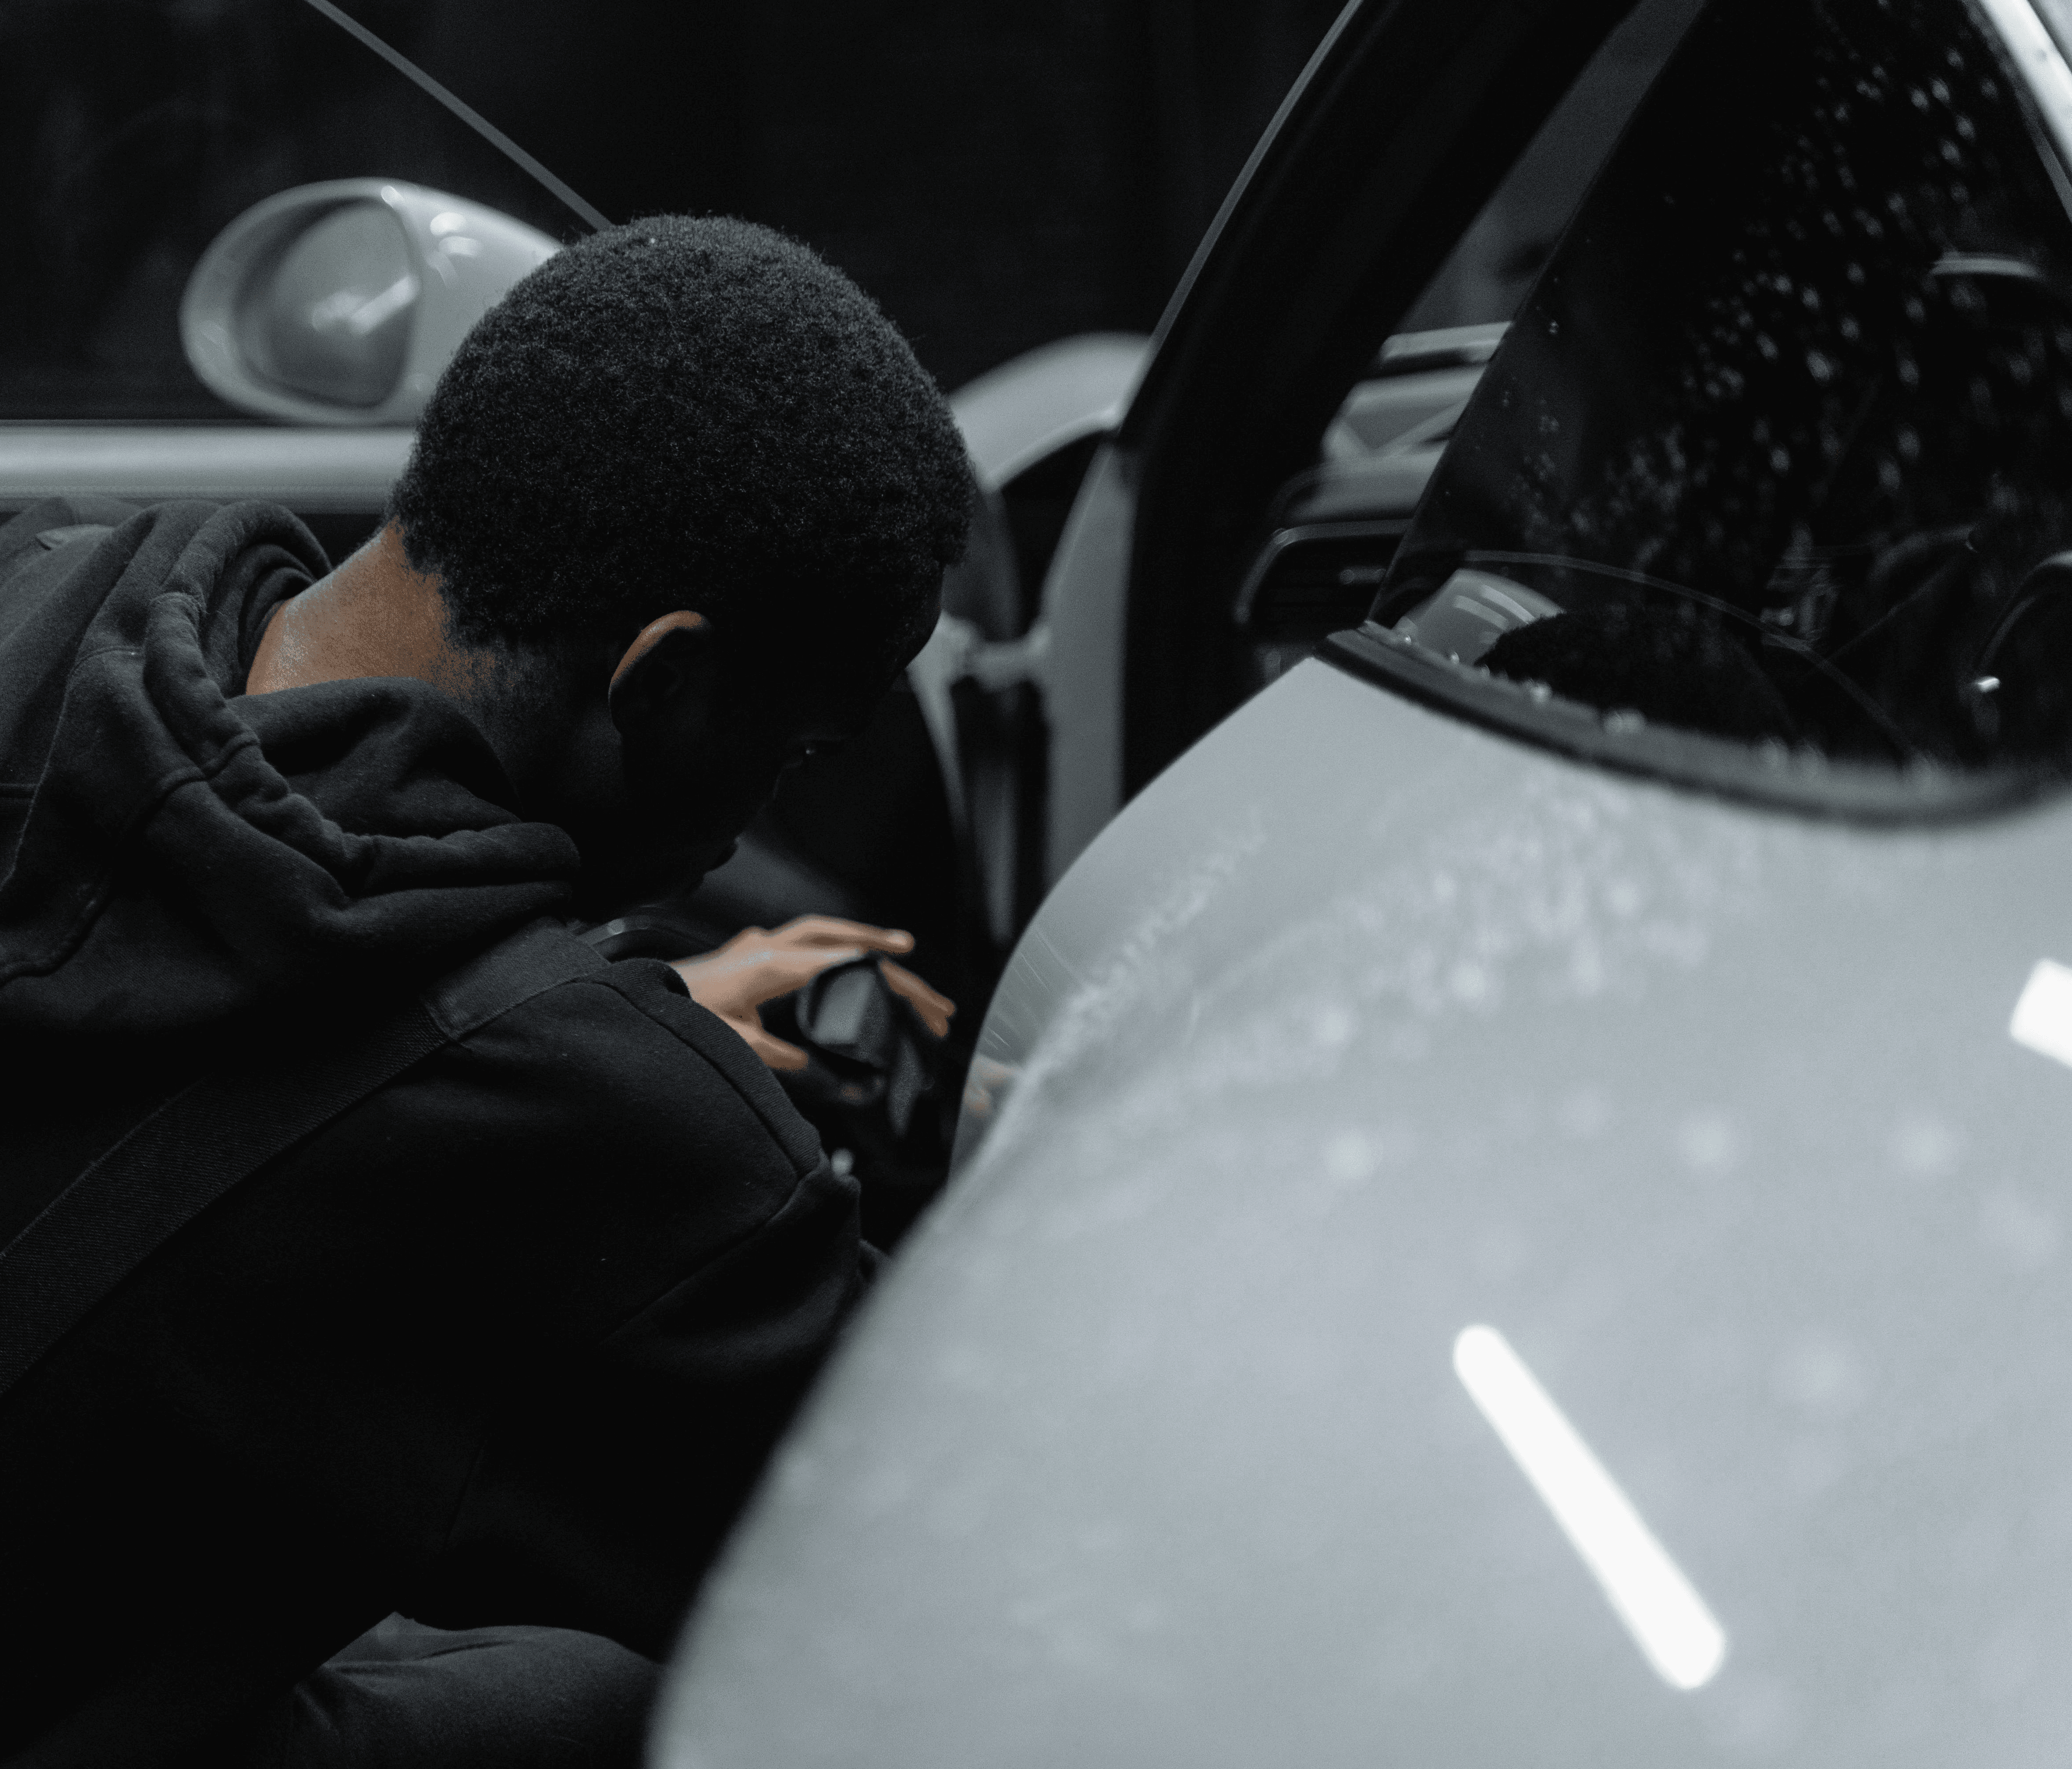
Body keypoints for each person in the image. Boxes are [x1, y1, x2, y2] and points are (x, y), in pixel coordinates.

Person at [0, 215, 972, 1767]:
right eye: (783, 755)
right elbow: (965, 1572)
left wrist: (603, 1010)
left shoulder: (41, 578)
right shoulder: (614, 1141)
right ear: (662, 683)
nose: (741, 831)